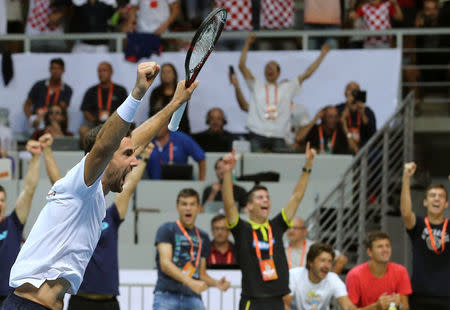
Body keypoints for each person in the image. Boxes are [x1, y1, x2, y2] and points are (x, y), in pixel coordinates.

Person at [0, 62, 199, 310]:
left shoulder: (93, 195)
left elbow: (132, 142)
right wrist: (137, 93)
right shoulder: (79, 186)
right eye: (128, 155)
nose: (135, 161)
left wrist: (175, 104)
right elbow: (106, 145)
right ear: (105, 157)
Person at [37, 134, 153, 310]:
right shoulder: (77, 214)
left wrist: (143, 158)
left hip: (109, 302)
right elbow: (57, 182)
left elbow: (128, 188)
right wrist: (46, 151)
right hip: (80, 301)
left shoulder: (112, 217)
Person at [221, 143, 316, 309]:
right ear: (249, 206)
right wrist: (228, 172)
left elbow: (297, 197)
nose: (265, 200)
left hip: (277, 301)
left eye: (267, 197)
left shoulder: (277, 226)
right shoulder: (241, 229)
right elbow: (229, 204)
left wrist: (307, 167)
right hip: (253, 301)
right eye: (259, 197)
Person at [239, 33, 329, 152]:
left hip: (279, 135)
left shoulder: (287, 87)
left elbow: (307, 73)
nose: (269, 69)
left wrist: (322, 55)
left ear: (279, 73)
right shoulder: (257, 85)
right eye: (267, 67)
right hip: (257, 133)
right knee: (255, 165)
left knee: (281, 166)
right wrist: (247, 43)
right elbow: (242, 66)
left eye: (272, 67)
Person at [153, 188, 230, 310]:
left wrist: (216, 283)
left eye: (192, 204)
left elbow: (201, 274)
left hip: (193, 297)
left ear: (198, 208)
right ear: (177, 207)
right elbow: (165, 264)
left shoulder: (203, 236)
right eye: (184, 204)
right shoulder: (167, 229)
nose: (188, 208)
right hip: (167, 295)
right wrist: (190, 282)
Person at [401, 162, 450, 309]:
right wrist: (406, 178)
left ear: (446, 204)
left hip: (447, 296)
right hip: (419, 295)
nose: (436, 199)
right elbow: (405, 212)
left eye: (441, 196)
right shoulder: (419, 224)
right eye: (432, 196)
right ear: (425, 202)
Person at [0, 140, 41, 306]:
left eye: (2, 200)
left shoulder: (13, 223)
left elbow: (29, 190)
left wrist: (36, 157)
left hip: (9, 299)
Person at [346, 231, 412, 309]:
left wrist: (399, 305)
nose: (385, 250)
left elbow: (405, 307)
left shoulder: (401, 271)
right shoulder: (355, 275)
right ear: (369, 252)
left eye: (387, 246)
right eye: (380, 247)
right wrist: (376, 307)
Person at [285, 243, 356, 310]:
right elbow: (284, 305)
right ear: (310, 262)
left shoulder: (333, 278)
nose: (327, 266)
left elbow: (348, 306)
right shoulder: (294, 275)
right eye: (322, 260)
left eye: (330, 261)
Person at [79, 62, 128, 139]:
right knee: (83, 129)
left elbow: (126, 110)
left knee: (127, 130)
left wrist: (113, 121)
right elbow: (85, 111)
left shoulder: (120, 90)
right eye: (99, 71)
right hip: (95, 125)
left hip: (114, 125)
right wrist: (96, 121)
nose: (101, 73)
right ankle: (91, 151)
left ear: (111, 72)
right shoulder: (91, 91)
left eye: (104, 70)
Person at [24, 58, 73, 134]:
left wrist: (43, 115)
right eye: (53, 68)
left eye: (58, 68)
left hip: (53, 118)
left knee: (55, 120)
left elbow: (61, 108)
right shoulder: (39, 85)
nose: (56, 71)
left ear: (63, 71)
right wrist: (31, 118)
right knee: (35, 125)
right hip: (37, 119)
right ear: (49, 70)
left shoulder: (67, 89)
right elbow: (27, 104)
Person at [148, 63, 190, 134]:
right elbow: (152, 113)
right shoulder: (156, 92)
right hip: (159, 130)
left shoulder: (181, 89)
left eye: (168, 72)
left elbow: (182, 112)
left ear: (174, 74)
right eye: (163, 72)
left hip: (180, 128)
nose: (166, 75)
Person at [336, 82, 376, 151]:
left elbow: (372, 132)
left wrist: (362, 113)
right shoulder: (338, 109)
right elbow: (335, 127)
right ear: (345, 93)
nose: (353, 93)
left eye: (355, 90)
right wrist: (347, 107)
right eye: (350, 90)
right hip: (344, 145)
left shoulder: (367, 111)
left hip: (364, 147)